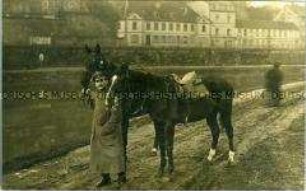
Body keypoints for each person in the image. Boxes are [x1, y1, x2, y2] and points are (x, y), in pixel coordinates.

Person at [89, 71, 126, 187]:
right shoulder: (95, 94)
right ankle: (105, 177)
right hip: (98, 128)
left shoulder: (112, 95)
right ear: (94, 83)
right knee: (100, 152)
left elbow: (117, 114)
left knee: (115, 153)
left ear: (107, 81)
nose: (100, 83)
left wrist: (108, 127)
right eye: (97, 81)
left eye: (102, 80)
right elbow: (95, 108)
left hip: (111, 129)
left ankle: (121, 176)